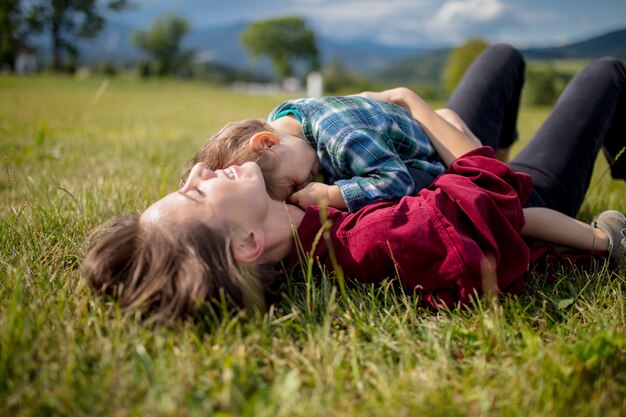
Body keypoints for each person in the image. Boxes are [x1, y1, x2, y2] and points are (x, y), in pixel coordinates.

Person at [83, 44, 626, 322]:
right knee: (606, 72)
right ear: (248, 243)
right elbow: (496, 190)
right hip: (511, 191)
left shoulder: (289, 192)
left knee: (501, 58)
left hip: (426, 151)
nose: (198, 171)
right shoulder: (369, 239)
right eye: (195, 191)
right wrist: (413, 103)